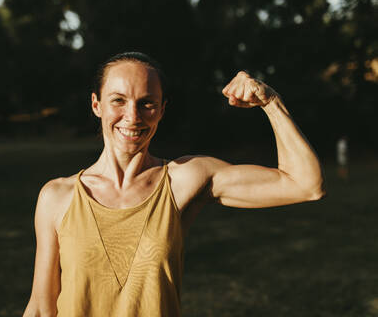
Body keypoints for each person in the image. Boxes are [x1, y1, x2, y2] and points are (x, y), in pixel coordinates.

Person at [22, 52, 326, 317]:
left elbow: (305, 184)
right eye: (118, 100)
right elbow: (40, 309)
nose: (132, 116)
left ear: (162, 110)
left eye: (147, 104)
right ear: (96, 104)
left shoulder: (185, 179)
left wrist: (270, 102)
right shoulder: (57, 197)